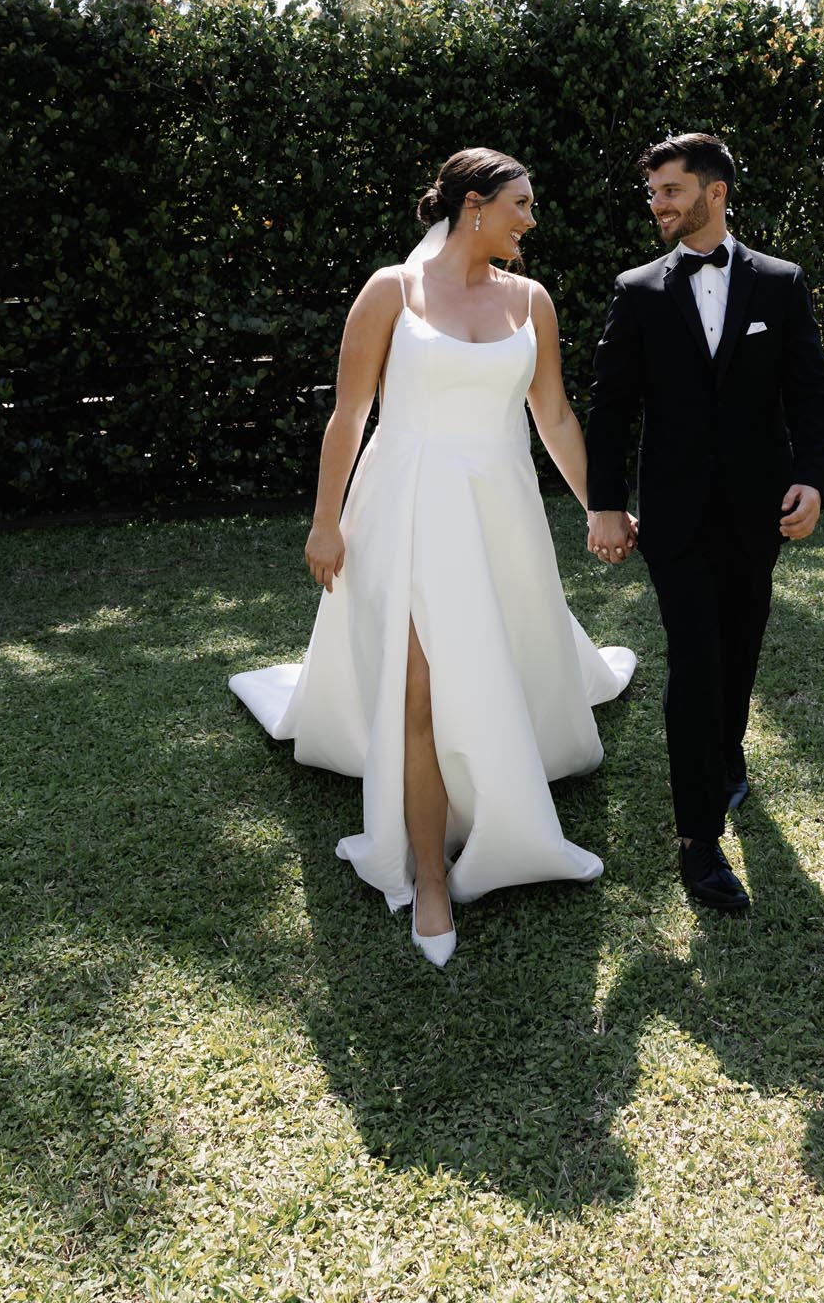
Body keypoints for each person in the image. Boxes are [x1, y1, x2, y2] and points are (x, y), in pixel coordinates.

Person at [229, 148, 636, 968]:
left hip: (499, 508)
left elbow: (551, 414)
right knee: (418, 686)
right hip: (407, 506)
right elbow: (349, 416)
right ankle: (428, 874)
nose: (531, 219)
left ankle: (488, 807)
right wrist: (324, 522)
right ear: (475, 204)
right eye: (520, 204)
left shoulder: (532, 299)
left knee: (481, 661)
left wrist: (600, 503)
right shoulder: (392, 289)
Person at [584, 133, 824, 915]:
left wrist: (811, 480)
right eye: (653, 192)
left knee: (739, 646)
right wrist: (602, 501)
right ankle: (697, 840)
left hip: (759, 512)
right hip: (674, 516)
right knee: (695, 663)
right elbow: (611, 405)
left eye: (669, 190)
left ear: (713, 192)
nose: (656, 204)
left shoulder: (780, 283)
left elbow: (810, 394)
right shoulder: (637, 289)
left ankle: (725, 757)